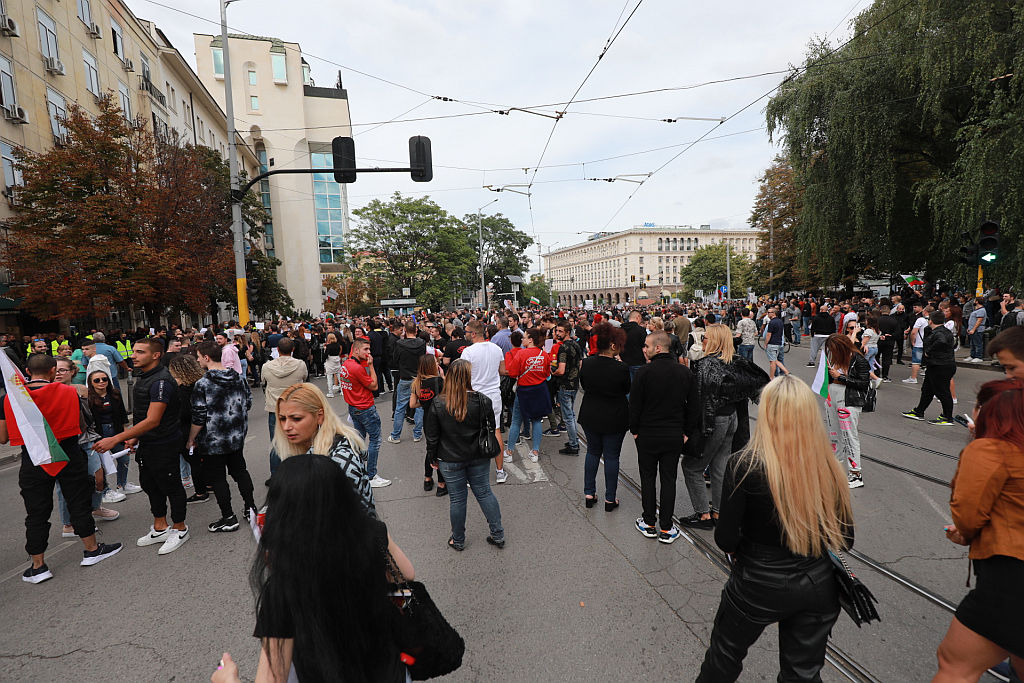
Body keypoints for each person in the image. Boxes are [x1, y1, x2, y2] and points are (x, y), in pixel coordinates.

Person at [696, 375, 855, 682]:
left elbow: (726, 538)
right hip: (817, 583)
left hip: (757, 580)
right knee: (803, 673)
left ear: (767, 414)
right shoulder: (828, 466)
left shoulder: (745, 464)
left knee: (723, 659)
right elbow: (845, 539)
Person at [210, 454, 414, 683]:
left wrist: (227, 679)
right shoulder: (372, 532)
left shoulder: (283, 588)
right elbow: (407, 574)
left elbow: (273, 678)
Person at [2, 353, 122, 583]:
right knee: (79, 502)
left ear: (27, 372)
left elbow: (6, 436)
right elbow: (79, 425)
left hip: (34, 459)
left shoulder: (12, 399)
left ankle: (38, 566)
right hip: (68, 454)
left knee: (36, 512)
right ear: (52, 372)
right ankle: (91, 550)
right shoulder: (69, 392)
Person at [932, 379, 1024, 682]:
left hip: (1011, 575)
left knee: (954, 664)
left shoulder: (990, 449)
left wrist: (964, 532)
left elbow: (968, 517)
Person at [94, 339, 189, 555]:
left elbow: (153, 419)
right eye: (134, 351)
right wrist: (135, 437)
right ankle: (160, 527)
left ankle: (180, 528)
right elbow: (143, 415)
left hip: (164, 443)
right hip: (148, 442)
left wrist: (116, 438)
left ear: (156, 355)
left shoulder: (161, 381)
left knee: (170, 485)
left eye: (140, 352)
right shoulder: (144, 377)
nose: (133, 355)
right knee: (150, 484)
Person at [681, 324, 765, 529]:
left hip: (714, 421)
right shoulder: (735, 361)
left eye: (706, 338)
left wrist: (690, 431)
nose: (702, 341)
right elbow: (761, 381)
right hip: (732, 419)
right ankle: (719, 512)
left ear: (716, 341)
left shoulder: (706, 365)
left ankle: (703, 515)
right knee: (720, 466)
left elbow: (700, 402)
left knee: (692, 467)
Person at [425, 359, 505, 551]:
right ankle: (498, 534)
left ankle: (458, 539)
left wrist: (432, 458)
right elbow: (490, 430)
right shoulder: (483, 400)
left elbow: (432, 437)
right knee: (485, 492)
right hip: (478, 455)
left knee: (458, 499)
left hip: (450, 458)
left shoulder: (439, 403)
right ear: (469, 377)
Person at [630, 331, 699, 544]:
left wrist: (635, 430)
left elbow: (635, 405)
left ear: (658, 348)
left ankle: (649, 522)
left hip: (647, 434)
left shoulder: (643, 373)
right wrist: (686, 432)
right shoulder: (684, 373)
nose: (644, 349)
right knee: (668, 479)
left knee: (647, 478)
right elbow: (694, 407)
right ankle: (667, 528)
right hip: (673, 434)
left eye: (647, 346)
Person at [272, 383, 375, 513]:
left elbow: (357, 520)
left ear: (319, 416)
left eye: (296, 419)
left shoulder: (339, 461)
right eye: (282, 419)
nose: (286, 426)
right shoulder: (308, 452)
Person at [188, 341, 256, 532]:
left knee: (218, 478)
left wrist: (191, 438)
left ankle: (228, 517)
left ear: (207, 357)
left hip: (213, 440)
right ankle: (250, 508)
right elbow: (248, 403)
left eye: (199, 357)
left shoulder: (202, 384)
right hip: (236, 436)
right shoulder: (239, 378)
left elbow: (199, 417)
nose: (198, 360)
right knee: (240, 471)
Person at [578, 322, 630, 511]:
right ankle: (610, 498)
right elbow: (626, 390)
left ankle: (589, 493)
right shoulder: (621, 368)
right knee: (611, 457)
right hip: (615, 415)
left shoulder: (587, 363)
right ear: (613, 346)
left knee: (592, 452)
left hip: (591, 413)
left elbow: (584, 385)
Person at [459, 320, 508, 479]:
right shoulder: (496, 348)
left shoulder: (468, 352)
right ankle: (500, 471)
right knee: (496, 431)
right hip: (493, 395)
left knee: (471, 433)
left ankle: (471, 475)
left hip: (474, 396)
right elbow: (502, 370)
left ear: (473, 334)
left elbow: (463, 377)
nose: (465, 334)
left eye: (466, 331)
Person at [822, 334, 871, 489]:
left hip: (848, 401)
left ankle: (856, 474)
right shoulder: (834, 358)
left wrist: (841, 377)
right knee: (834, 435)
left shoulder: (858, 359)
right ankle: (835, 469)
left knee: (850, 438)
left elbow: (864, 384)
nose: (831, 352)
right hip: (832, 398)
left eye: (833, 349)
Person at [340, 338, 389, 488]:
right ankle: (371, 475)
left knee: (360, 440)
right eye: (366, 350)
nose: (369, 352)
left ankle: (359, 469)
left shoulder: (346, 365)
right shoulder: (357, 368)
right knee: (375, 440)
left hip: (354, 407)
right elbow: (374, 386)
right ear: (356, 350)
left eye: (369, 349)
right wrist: (371, 366)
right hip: (365, 408)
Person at [87, 367, 140, 500]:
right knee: (102, 464)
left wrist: (125, 435)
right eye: (97, 380)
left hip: (116, 430)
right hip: (99, 433)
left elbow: (122, 416)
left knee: (124, 458)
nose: (101, 382)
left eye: (104, 379)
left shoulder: (115, 394)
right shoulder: (88, 398)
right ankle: (105, 491)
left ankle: (122, 484)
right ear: (91, 383)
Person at [260, 337, 308, 477]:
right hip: (296, 407)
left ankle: (276, 475)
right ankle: (298, 472)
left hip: (275, 408)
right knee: (298, 440)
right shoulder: (300, 365)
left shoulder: (267, 366)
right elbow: (304, 379)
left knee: (276, 442)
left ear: (278, 350)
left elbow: (264, 381)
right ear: (293, 349)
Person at [504, 328, 552, 464]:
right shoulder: (544, 354)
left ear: (531, 339)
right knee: (536, 420)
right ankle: (535, 451)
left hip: (524, 390)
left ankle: (509, 452)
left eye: (524, 337)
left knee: (516, 421)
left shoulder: (521, 354)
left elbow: (512, 373)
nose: (522, 340)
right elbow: (548, 374)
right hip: (540, 390)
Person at [902, 311, 957, 426]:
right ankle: (919, 411)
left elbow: (941, 342)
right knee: (927, 389)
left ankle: (947, 417)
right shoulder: (940, 331)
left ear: (931, 320)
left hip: (941, 365)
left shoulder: (940, 333)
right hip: (937, 365)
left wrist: (928, 351)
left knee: (943, 391)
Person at [168, 355, 210, 505]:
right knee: (203, 459)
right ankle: (209, 484)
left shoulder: (183, 390)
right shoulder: (201, 384)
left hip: (188, 429)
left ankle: (201, 491)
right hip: (205, 427)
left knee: (194, 460)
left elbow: (184, 413)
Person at [410, 354, 446, 495]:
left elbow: (412, 404)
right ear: (432, 365)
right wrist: (442, 376)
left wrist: (424, 403)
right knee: (442, 450)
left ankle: (427, 478)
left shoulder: (417, 382)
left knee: (430, 448)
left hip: (427, 418)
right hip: (441, 418)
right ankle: (442, 484)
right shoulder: (439, 381)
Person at [388, 321, 426, 444]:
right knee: (419, 407)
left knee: (400, 408)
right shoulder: (422, 343)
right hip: (418, 378)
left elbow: (395, 359)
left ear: (405, 331)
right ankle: (417, 434)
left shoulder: (399, 344)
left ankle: (396, 435)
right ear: (416, 330)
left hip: (404, 377)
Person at [551, 320, 583, 456]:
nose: (557, 333)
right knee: (571, 414)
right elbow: (580, 363)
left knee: (568, 416)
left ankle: (574, 445)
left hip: (565, 385)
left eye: (560, 331)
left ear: (567, 332)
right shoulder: (576, 344)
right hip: (574, 383)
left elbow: (561, 370)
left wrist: (554, 372)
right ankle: (573, 440)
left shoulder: (563, 347)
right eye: (557, 331)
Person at [903, 303, 929, 384]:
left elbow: (914, 332)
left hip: (919, 344)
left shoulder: (920, 320)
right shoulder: (933, 320)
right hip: (929, 344)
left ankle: (913, 378)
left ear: (925, 311)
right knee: (929, 361)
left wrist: (912, 341)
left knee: (916, 361)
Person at [620, 311, 648, 379]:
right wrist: (647, 359)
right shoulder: (641, 330)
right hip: (638, 362)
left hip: (623, 362)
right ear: (638, 317)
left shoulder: (620, 330)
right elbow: (644, 347)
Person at [762, 308, 789, 378]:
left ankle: (771, 377)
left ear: (774, 313)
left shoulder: (772, 322)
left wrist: (765, 343)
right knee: (775, 360)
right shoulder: (780, 321)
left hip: (772, 343)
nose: (767, 314)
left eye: (769, 312)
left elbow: (768, 334)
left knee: (772, 362)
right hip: (779, 343)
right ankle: (786, 372)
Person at [966, 298, 988, 362]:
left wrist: (973, 329)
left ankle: (979, 356)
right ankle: (973, 355)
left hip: (977, 330)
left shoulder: (981, 310)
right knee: (972, 343)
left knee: (978, 343)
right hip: (972, 329)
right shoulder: (977, 310)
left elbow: (979, 321)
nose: (974, 301)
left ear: (977, 302)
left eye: (975, 300)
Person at [323, 332, 343, 398]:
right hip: (337, 360)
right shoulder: (338, 345)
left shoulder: (328, 346)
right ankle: (342, 391)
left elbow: (325, 355)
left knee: (329, 377)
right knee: (339, 376)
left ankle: (330, 392)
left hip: (330, 362)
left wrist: (325, 350)